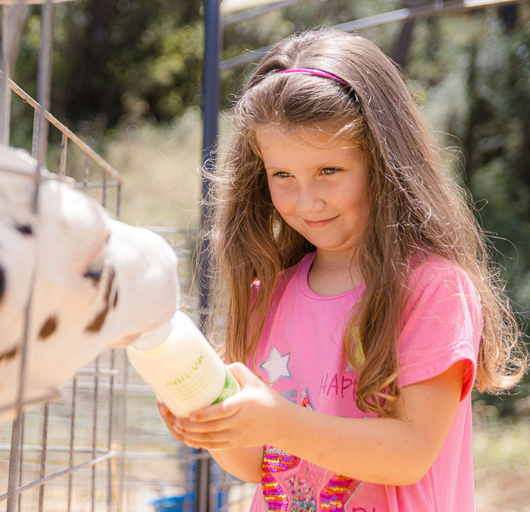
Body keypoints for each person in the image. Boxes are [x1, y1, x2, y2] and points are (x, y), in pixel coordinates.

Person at [157, 29, 528, 511]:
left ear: (384, 162)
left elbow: (411, 454)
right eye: (282, 175)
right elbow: (255, 463)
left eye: (329, 171)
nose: (306, 201)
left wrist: (277, 420)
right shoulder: (266, 292)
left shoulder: (434, 288)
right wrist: (213, 426)